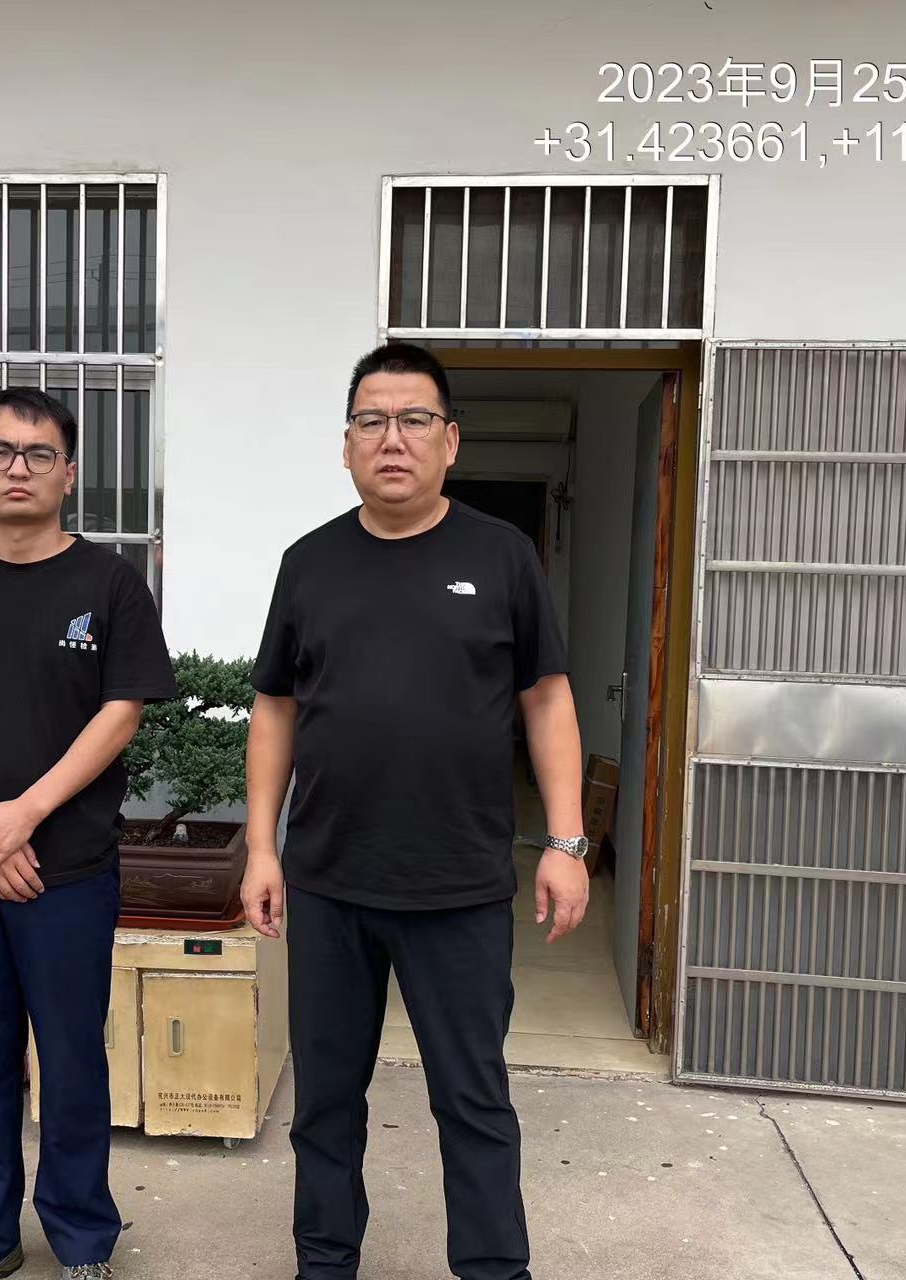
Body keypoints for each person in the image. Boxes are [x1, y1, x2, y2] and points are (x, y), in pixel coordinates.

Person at [242, 343, 591, 1280]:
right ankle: (324, 1263)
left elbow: (546, 699)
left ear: (450, 441)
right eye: (371, 420)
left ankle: (493, 1269)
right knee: (325, 1102)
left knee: (472, 1101)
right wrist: (260, 847)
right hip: (329, 880)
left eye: (413, 420)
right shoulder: (309, 563)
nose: (391, 439)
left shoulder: (501, 555)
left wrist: (565, 842)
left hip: (458, 885)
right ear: (345, 444)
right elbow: (274, 707)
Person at [0, 387, 176, 1280]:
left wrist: (24, 816)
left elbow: (120, 714)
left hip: (70, 868)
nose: (19, 468)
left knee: (71, 1058)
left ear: (69, 473)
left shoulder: (110, 585)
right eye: (1, 451)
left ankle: (83, 1242)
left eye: (39, 453)